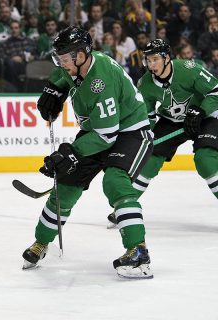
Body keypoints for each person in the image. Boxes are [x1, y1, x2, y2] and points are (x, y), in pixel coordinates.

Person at [22, 26, 154, 279]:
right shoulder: (75, 66)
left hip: (130, 133)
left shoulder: (99, 80)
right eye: (58, 58)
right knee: (67, 186)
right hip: (98, 131)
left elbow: (107, 135)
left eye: (64, 58)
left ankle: (139, 252)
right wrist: (53, 89)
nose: (60, 63)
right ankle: (41, 242)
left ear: (80, 56)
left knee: (115, 182)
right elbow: (63, 75)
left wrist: (70, 153)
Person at [132, 40, 218, 200]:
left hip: (203, 118)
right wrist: (143, 135)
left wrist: (202, 110)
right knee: (149, 160)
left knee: (206, 161)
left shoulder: (188, 70)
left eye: (155, 59)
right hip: (170, 121)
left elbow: (215, 90)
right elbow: (147, 116)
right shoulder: (145, 83)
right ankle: (125, 204)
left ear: (166, 58)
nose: (152, 65)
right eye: (148, 60)